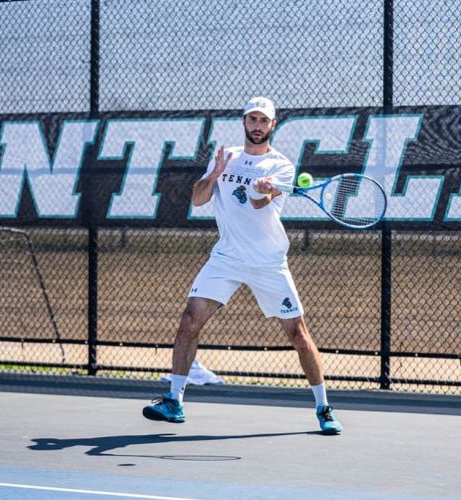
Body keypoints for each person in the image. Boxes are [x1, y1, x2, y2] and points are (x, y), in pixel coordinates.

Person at [143, 96, 343, 435]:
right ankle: (174, 400)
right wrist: (215, 174)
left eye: (263, 121)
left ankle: (323, 407)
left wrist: (259, 191)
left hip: (268, 261)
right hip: (228, 257)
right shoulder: (227, 157)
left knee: (297, 333)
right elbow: (199, 198)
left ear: (272, 126)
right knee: (189, 320)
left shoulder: (280, 166)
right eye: (252, 119)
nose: (257, 126)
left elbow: (261, 202)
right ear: (244, 122)